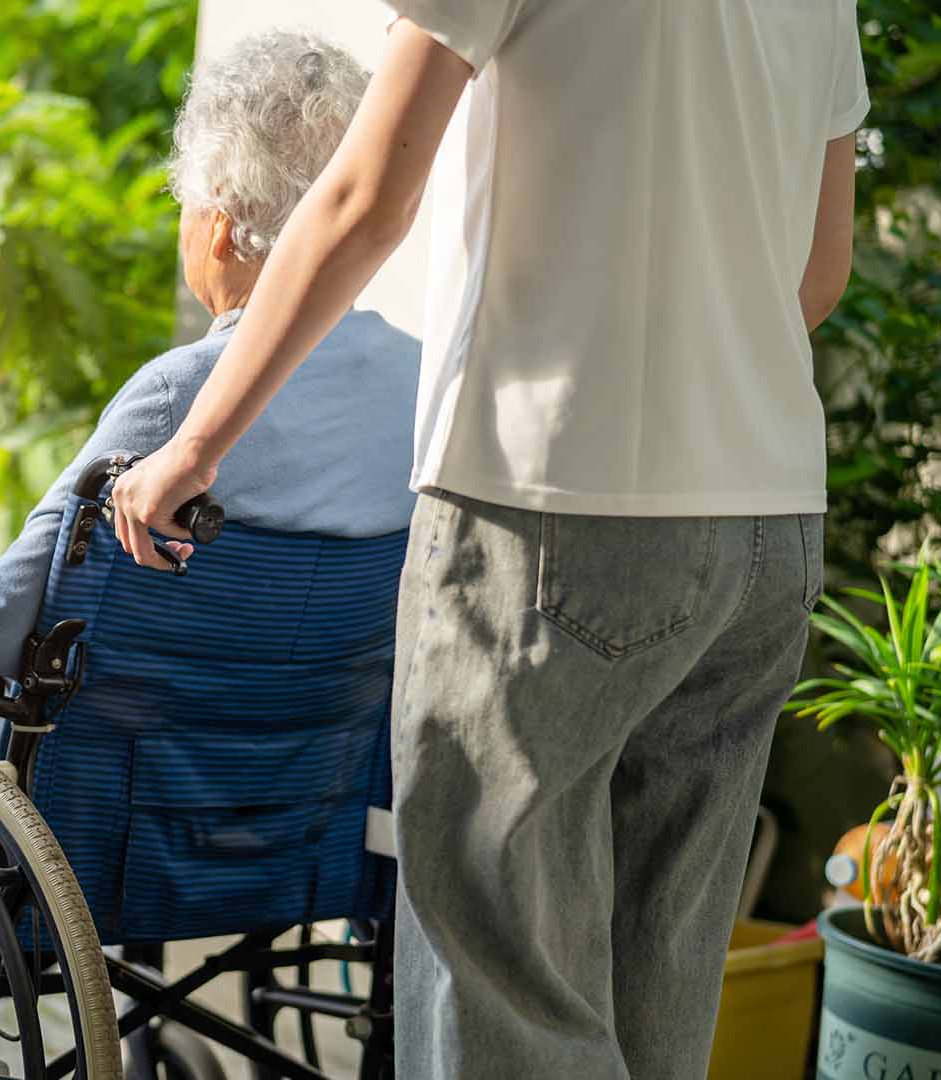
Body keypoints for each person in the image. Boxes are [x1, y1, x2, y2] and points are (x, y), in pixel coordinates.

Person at [109, 4, 866, 1078]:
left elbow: (367, 198)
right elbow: (819, 270)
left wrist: (195, 443)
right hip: (767, 526)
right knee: (660, 979)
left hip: (556, 508)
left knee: (506, 993)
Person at [0, 30, 422, 1027]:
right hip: (300, 814)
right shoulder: (425, 388)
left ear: (217, 227)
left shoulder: (182, 402)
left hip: (106, 821)